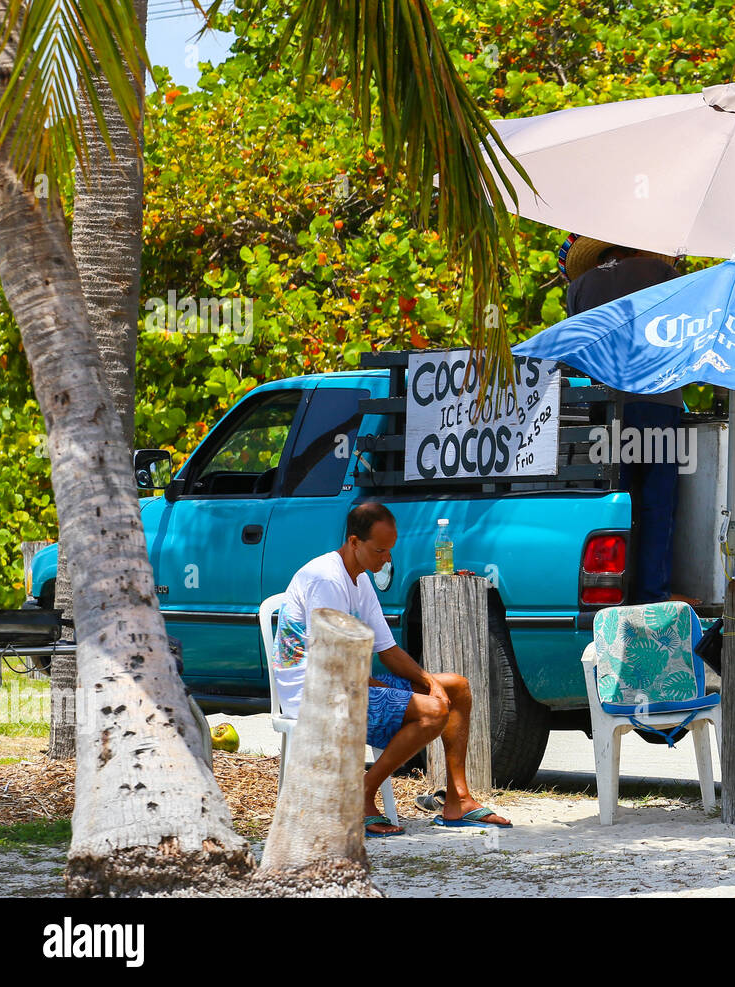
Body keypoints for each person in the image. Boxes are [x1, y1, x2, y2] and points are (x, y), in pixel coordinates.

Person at [274, 501, 511, 834]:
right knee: (432, 711)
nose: (387, 559)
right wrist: (391, 691)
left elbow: (387, 649)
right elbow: (332, 663)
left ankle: (459, 799)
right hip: (316, 696)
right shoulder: (326, 579)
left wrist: (429, 680)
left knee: (455, 687)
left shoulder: (360, 578)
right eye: (380, 550)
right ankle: (362, 792)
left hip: (348, 683)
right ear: (354, 542)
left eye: (390, 551)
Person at [559, 233, 697, 604]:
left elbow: (577, 348)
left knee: (617, 500)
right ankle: (652, 595)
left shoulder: (580, 287)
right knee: (657, 502)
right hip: (657, 402)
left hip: (603, 409)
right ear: (634, 244)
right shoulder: (660, 271)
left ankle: (616, 592)